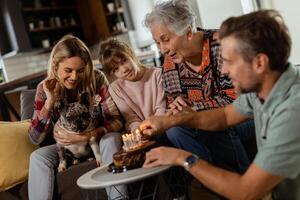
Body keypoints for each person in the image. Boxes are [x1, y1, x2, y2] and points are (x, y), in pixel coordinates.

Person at [141, 9, 300, 199]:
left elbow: (245, 192)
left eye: (229, 62)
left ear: (259, 63)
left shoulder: (292, 111)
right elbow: (225, 115)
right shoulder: (262, 88)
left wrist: (181, 158)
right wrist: (171, 121)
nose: (223, 70)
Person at [143, 0, 255, 173]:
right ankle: (207, 179)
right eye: (157, 42)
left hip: (243, 118)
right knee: (174, 131)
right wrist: (177, 108)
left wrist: (193, 108)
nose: (162, 49)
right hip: (203, 121)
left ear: (188, 32)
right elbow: (176, 101)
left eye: (165, 40)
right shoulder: (171, 62)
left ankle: (240, 183)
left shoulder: (221, 46)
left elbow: (235, 100)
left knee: (208, 127)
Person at [28, 35, 126, 200]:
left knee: (111, 140)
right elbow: (34, 138)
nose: (74, 77)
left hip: (98, 139)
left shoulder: (97, 79)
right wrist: (50, 101)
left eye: (80, 70)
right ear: (55, 65)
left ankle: (118, 198)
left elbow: (117, 121)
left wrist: (89, 135)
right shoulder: (43, 88)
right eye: (68, 70)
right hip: (66, 147)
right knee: (37, 157)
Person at [98, 38, 166, 133]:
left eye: (124, 61)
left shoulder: (157, 74)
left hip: (162, 126)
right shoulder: (115, 88)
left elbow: (161, 109)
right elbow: (131, 119)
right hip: (142, 132)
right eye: (116, 69)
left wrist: (153, 128)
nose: (124, 69)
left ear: (131, 54)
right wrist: (139, 131)